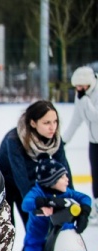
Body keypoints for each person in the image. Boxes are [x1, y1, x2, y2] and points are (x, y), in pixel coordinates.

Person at [0, 100, 71, 251]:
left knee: (36, 233)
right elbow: (20, 178)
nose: (52, 127)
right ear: (33, 123)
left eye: (55, 122)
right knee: (6, 234)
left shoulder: (55, 141)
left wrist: (71, 201)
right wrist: (38, 204)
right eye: (47, 122)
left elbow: (65, 173)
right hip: (4, 185)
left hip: (30, 186)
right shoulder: (14, 139)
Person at [15, 156, 92, 251]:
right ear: (52, 180)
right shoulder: (37, 191)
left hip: (58, 240)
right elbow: (26, 203)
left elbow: (85, 198)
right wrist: (44, 203)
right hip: (36, 240)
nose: (67, 179)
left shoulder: (67, 192)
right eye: (62, 177)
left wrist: (84, 212)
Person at [63, 66, 98, 212]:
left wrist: (85, 102)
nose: (78, 88)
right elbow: (76, 120)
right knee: (95, 175)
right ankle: (96, 205)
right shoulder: (81, 96)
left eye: (80, 85)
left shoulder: (89, 96)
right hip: (94, 142)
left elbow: (95, 117)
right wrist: (63, 141)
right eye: (76, 86)